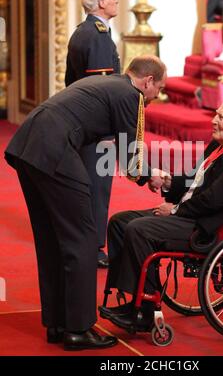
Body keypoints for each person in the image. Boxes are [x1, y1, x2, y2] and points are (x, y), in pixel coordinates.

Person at [4, 55, 167, 350]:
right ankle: (78, 329)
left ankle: (57, 323)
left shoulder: (110, 84)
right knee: (82, 239)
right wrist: (149, 176)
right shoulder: (132, 95)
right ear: (148, 81)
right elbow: (130, 156)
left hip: (28, 146)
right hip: (54, 151)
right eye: (159, 89)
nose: (158, 96)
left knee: (52, 239)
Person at [99, 98, 223, 331]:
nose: (213, 120)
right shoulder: (221, 143)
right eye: (215, 114)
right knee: (120, 222)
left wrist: (176, 209)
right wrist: (168, 181)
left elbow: (217, 197)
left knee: (139, 229)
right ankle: (131, 297)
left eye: (220, 117)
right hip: (194, 212)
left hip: (212, 223)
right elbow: (195, 181)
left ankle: (145, 310)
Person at [65, 0, 121, 269]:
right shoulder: (98, 36)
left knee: (88, 186)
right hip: (96, 129)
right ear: (101, 3)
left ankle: (84, 241)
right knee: (97, 189)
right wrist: (109, 131)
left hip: (81, 124)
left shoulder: (83, 31)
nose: (117, 1)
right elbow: (102, 90)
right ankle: (94, 247)